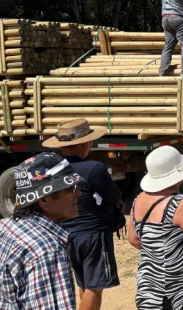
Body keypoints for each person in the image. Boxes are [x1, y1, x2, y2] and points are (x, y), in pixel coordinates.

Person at [0, 153, 82, 309]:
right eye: (71, 188)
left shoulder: (2, 227)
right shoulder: (47, 250)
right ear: (44, 199)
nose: (78, 193)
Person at [43, 119, 122, 310]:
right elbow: (114, 197)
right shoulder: (94, 168)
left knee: (84, 284)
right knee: (94, 287)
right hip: (93, 234)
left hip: (65, 234)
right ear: (83, 143)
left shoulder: (51, 168)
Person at [128, 145, 183, 309]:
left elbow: (134, 239)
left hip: (150, 290)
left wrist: (159, 251)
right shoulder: (182, 203)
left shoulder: (138, 200)